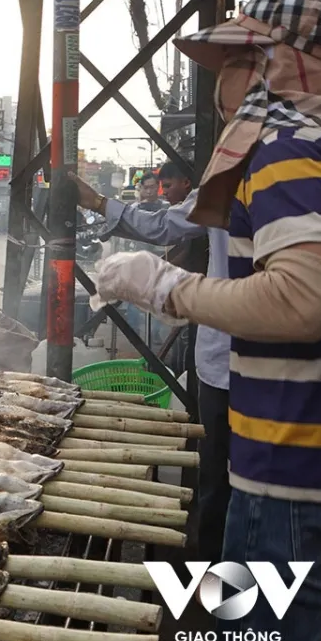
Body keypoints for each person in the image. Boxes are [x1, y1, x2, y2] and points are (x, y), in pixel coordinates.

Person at [93, 0, 321, 641]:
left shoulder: (293, 149)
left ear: (271, 64)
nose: (219, 88)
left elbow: (300, 301)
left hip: (290, 467)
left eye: (231, 65)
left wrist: (164, 286)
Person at [72, 170, 231, 565]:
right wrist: (97, 202)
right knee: (217, 475)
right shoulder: (226, 179)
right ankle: (216, 571)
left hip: (263, 363)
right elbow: (165, 225)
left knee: (252, 483)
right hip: (220, 361)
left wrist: (173, 291)